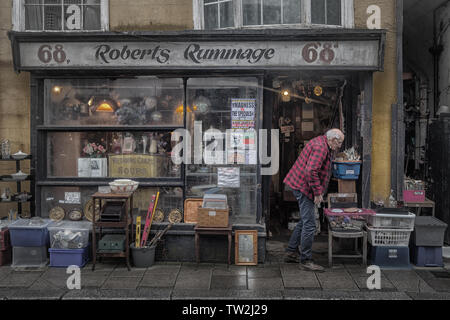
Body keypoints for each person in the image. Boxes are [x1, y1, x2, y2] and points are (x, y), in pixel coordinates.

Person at [283, 128, 344, 272]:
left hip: (301, 185)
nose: (340, 145)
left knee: (305, 220)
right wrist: (318, 193)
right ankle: (305, 260)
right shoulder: (321, 148)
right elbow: (311, 171)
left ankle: (291, 252)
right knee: (310, 224)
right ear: (333, 140)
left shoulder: (322, 143)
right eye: (339, 142)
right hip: (304, 187)